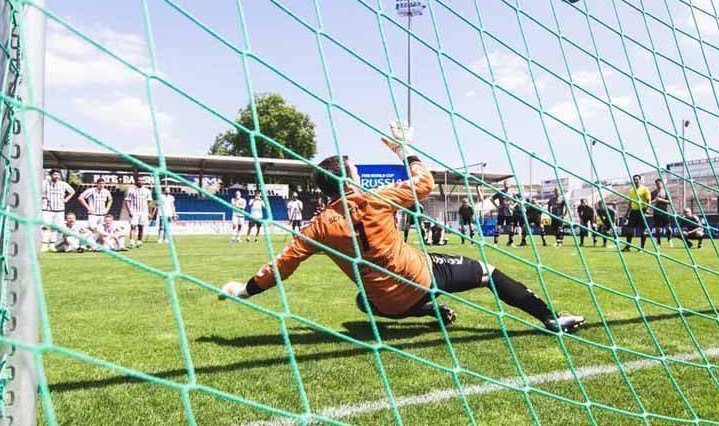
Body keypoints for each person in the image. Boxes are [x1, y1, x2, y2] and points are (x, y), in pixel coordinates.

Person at [220, 122, 584, 333]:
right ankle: (550, 319)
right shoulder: (377, 199)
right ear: (347, 180)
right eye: (356, 171)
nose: (360, 173)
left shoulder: (316, 228)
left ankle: (427, 310)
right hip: (421, 277)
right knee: (488, 272)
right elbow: (424, 182)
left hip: (387, 304)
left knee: (364, 301)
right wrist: (404, 148)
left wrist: (245, 290)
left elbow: (282, 265)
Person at [41, 170, 75, 252]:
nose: (57, 176)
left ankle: (52, 245)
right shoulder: (44, 183)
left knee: (55, 228)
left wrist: (66, 199)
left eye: (58, 175)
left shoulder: (63, 184)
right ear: (51, 175)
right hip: (47, 209)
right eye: (55, 174)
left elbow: (72, 191)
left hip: (59, 210)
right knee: (46, 226)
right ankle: (44, 244)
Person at [623, 175, 651, 251]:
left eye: (637, 179)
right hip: (633, 212)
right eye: (634, 179)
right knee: (629, 229)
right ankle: (628, 247)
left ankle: (642, 248)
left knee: (643, 230)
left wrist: (647, 210)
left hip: (642, 211)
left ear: (640, 180)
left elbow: (648, 201)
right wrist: (627, 212)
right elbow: (630, 202)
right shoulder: (631, 190)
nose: (635, 181)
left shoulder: (644, 189)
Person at [124, 178, 152, 247]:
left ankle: (139, 242)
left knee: (141, 227)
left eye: (142, 180)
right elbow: (127, 201)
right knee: (133, 226)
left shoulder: (147, 191)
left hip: (144, 212)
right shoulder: (131, 190)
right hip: (134, 211)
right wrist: (129, 211)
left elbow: (149, 202)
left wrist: (149, 212)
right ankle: (132, 242)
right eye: (139, 180)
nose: (140, 182)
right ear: (136, 181)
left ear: (143, 182)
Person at [650, 178, 673, 247]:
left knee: (668, 228)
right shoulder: (653, 193)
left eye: (659, 183)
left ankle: (669, 240)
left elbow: (670, 202)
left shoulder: (666, 192)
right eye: (657, 183)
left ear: (662, 184)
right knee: (657, 229)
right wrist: (654, 201)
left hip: (665, 212)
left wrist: (660, 200)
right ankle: (658, 242)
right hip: (656, 213)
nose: (658, 185)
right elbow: (650, 202)